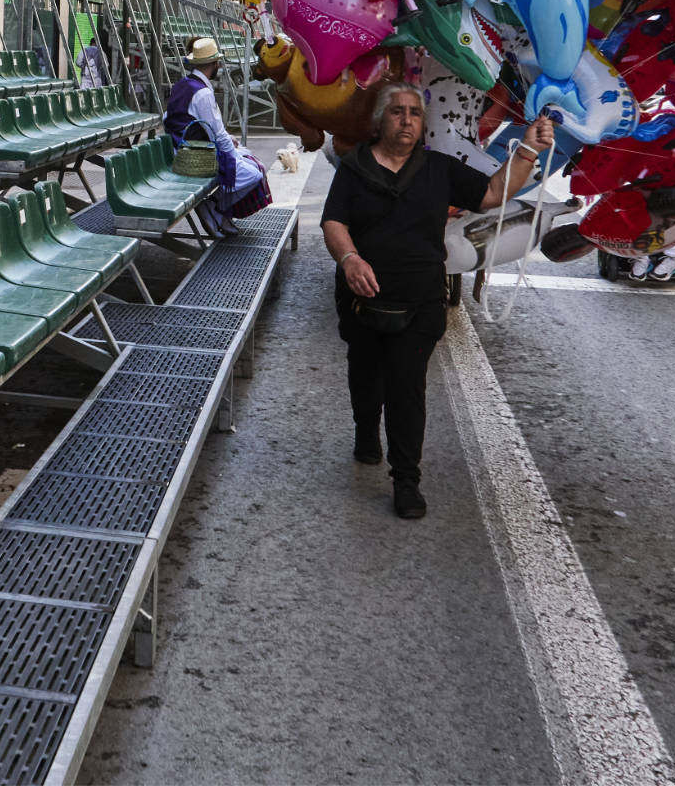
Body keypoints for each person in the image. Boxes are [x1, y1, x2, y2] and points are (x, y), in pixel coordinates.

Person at [320, 84, 554, 519]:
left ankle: (406, 478)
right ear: (379, 120)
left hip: (420, 301)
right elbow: (334, 220)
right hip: (361, 301)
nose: (406, 119)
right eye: (396, 112)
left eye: (413, 112)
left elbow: (492, 193)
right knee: (365, 374)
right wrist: (350, 259)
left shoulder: (440, 169)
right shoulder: (353, 168)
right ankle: (366, 430)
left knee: (408, 387)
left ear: (422, 123)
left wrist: (526, 150)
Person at [163, 38, 268, 236]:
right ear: (214, 64)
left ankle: (219, 212)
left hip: (182, 147)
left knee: (247, 160)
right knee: (253, 173)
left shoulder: (182, 84)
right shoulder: (202, 93)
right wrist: (232, 155)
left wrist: (229, 142)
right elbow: (217, 134)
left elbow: (168, 117)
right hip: (196, 154)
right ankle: (215, 206)